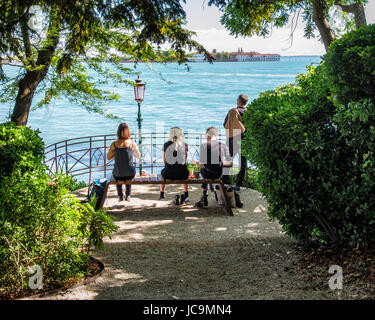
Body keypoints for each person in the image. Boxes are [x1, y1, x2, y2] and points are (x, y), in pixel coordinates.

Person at [195, 127, 232, 208]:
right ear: (216, 135)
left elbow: (201, 164)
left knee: (201, 169)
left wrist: (197, 163)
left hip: (207, 173)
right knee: (207, 169)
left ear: (208, 135)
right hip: (219, 174)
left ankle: (204, 196)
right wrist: (221, 163)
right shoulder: (223, 145)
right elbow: (230, 163)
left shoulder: (204, 145)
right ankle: (209, 191)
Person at [107, 123, 140, 202]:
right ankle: (128, 195)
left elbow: (108, 157)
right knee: (129, 168)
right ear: (128, 132)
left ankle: (120, 196)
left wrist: (115, 153)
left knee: (117, 170)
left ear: (118, 132)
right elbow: (138, 156)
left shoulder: (114, 144)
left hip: (118, 175)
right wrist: (135, 149)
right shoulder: (132, 144)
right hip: (130, 175)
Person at [224, 94, 248, 191]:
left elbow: (225, 124)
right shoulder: (249, 112)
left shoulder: (233, 112)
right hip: (245, 139)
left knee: (228, 159)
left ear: (238, 101)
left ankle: (224, 181)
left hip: (233, 138)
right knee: (243, 161)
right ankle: (238, 184)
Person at [159, 127, 190, 204]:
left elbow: (164, 162)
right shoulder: (185, 145)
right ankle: (186, 195)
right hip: (182, 174)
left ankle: (162, 194)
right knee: (184, 169)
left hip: (169, 174)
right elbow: (184, 161)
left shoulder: (166, 145)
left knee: (162, 172)